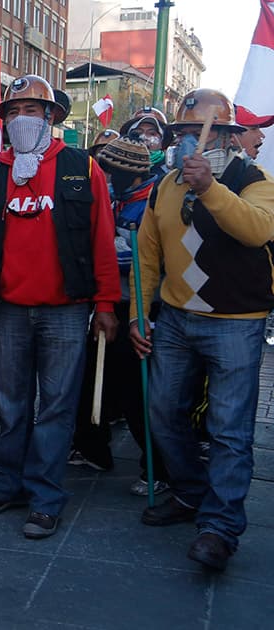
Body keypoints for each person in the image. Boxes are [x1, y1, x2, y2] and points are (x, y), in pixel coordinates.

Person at [0, 74, 120, 539]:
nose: (20, 119)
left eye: (31, 111)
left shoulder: (82, 168)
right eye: (13, 112)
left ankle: (45, 499)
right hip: (6, 311)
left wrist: (106, 303)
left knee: (57, 409)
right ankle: (6, 486)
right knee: (10, 404)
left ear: (51, 118)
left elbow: (102, 239)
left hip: (66, 311)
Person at [130, 88, 274, 571]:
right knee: (164, 413)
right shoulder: (165, 185)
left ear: (230, 137)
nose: (191, 142)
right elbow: (148, 255)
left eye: (200, 133)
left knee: (230, 430)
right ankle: (191, 493)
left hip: (236, 323)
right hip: (174, 319)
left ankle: (220, 526)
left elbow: (255, 229)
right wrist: (140, 311)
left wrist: (210, 187)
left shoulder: (255, 180)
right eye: (185, 134)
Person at [67, 136, 170, 496]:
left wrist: (100, 247)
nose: (108, 178)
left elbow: (143, 259)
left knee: (135, 392)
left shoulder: (151, 205)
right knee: (93, 382)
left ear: (132, 175)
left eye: (113, 173)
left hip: (139, 307)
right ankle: (93, 448)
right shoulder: (117, 199)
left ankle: (159, 467)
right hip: (108, 303)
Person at [120, 107, 169, 178]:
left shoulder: (170, 171)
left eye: (152, 134)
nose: (144, 138)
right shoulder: (118, 168)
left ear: (163, 141)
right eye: (138, 133)